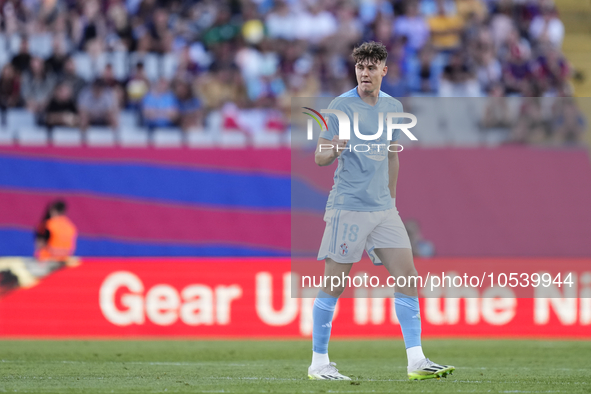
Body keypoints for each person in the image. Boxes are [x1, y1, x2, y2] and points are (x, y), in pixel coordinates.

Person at [309, 41, 454, 381]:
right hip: (348, 206)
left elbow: (392, 154)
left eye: (371, 67)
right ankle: (318, 363)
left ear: (383, 71)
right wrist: (334, 150)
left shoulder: (392, 107)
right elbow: (319, 156)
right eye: (360, 67)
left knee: (408, 276)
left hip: (383, 209)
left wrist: (390, 200)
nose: (365, 73)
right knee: (334, 283)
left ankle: (416, 361)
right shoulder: (340, 107)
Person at [34, 200, 78, 266]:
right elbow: (71, 248)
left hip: (46, 262)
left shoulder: (47, 225)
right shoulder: (71, 227)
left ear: (53, 210)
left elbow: (40, 244)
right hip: (63, 263)